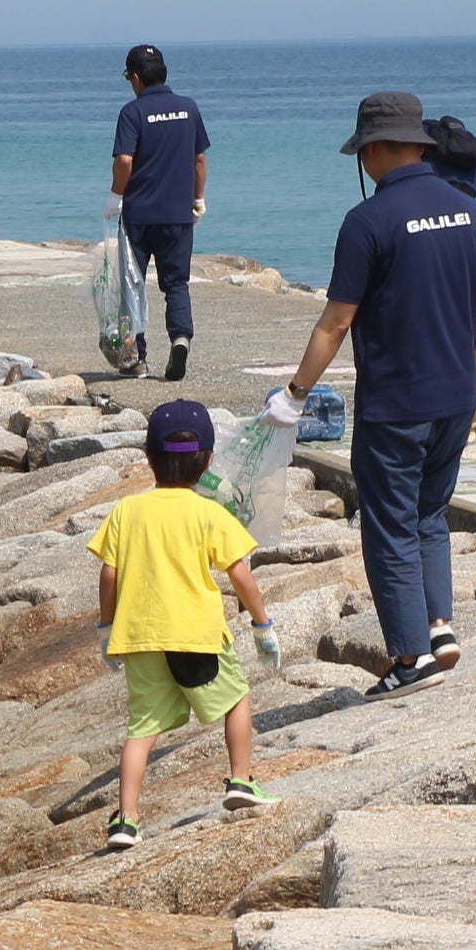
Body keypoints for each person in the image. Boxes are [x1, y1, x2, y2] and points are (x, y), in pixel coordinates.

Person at [272, 90, 476, 699]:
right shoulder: (468, 213)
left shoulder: (367, 222)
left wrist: (295, 394)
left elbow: (336, 322)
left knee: (390, 525)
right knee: (429, 515)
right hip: (455, 395)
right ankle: (440, 627)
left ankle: (408, 657)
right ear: (418, 143)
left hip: (397, 400)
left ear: (371, 151)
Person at [87, 398, 282, 852]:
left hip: (139, 639)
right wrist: (262, 624)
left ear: (148, 458)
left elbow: (109, 573)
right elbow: (240, 575)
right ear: (208, 460)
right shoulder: (210, 513)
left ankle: (127, 820)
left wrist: (105, 628)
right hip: (196, 637)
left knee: (142, 729)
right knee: (236, 699)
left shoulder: (125, 512)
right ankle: (240, 779)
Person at [107, 45, 211, 382]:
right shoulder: (188, 109)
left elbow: (125, 161)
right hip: (178, 215)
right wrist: (198, 198)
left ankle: (136, 358)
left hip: (139, 216)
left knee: (131, 286)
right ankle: (180, 339)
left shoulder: (133, 113)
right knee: (176, 284)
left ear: (135, 78)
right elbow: (199, 160)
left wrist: (115, 195)